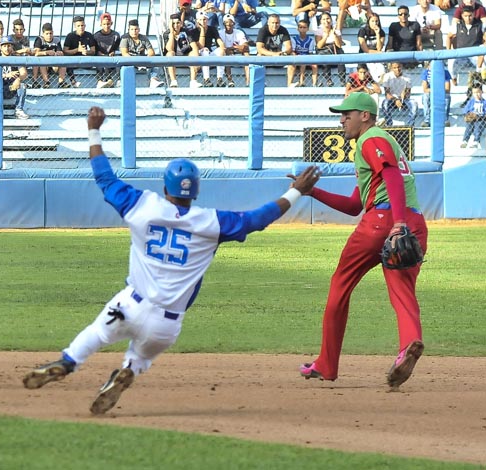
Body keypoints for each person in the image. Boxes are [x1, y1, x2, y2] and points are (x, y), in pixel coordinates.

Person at [23, 106, 320, 414]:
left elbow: (105, 178)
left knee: (99, 333)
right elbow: (259, 218)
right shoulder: (211, 223)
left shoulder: (143, 205)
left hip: (131, 305)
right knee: (141, 356)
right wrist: (296, 191)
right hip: (167, 325)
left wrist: (94, 130)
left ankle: (68, 361)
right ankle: (129, 370)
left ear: (165, 187)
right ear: (195, 191)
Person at [300, 92, 428, 391]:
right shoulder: (379, 145)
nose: (342, 119)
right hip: (415, 223)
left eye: (347, 113)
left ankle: (326, 364)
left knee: (341, 283)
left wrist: (395, 223)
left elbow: (392, 176)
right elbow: (353, 205)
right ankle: (407, 348)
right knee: (402, 292)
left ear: (365, 116)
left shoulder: (372, 139)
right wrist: (312, 192)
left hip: (384, 221)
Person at [120, 19, 163, 88]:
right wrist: (136, 62)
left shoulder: (143, 38)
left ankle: (153, 80)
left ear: (139, 29)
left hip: (142, 61)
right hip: (129, 61)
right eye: (132, 29)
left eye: (136, 29)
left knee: (157, 62)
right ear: (128, 30)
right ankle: (122, 82)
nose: (134, 31)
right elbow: (124, 53)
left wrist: (146, 59)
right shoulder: (125, 38)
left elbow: (151, 52)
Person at [256, 14, 296, 87]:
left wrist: (284, 53)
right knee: (259, 55)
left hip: (279, 57)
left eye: (277, 23)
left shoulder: (283, 30)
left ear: (279, 23)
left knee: (293, 55)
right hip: (267, 57)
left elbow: (289, 47)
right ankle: (262, 83)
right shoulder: (263, 30)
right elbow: (259, 48)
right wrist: (273, 54)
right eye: (273, 23)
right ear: (268, 23)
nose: (275, 25)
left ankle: (290, 84)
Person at [163, 13, 201, 88]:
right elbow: (169, 49)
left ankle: (193, 81)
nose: (176, 25)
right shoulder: (166, 33)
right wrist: (171, 33)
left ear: (181, 23)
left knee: (193, 53)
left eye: (178, 23)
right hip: (174, 57)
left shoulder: (186, 32)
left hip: (185, 54)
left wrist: (197, 61)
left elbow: (194, 47)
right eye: (173, 23)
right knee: (170, 53)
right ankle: (173, 81)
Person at [378, 62, 417, 127]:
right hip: (392, 99)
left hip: (403, 100)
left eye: (399, 67)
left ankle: (410, 126)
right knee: (385, 103)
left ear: (401, 66)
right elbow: (387, 94)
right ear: (391, 68)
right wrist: (396, 100)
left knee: (414, 104)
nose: (397, 69)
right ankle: (389, 124)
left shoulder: (407, 77)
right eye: (395, 68)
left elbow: (408, 93)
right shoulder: (388, 76)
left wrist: (405, 94)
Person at [0, 37, 29, 120]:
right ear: (0, 47)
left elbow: (24, 73)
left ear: (12, 47)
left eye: (9, 46)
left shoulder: (16, 59)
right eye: (4, 46)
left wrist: (18, 79)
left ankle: (19, 109)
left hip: (11, 86)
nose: (7, 48)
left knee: (22, 85)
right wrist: (6, 75)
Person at [32, 22, 69, 89]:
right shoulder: (39, 39)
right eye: (47, 34)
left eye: (51, 33)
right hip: (43, 64)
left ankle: (61, 82)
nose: (49, 36)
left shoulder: (56, 40)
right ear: (43, 34)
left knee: (63, 63)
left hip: (54, 63)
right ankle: (46, 82)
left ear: (53, 33)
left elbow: (61, 52)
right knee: (42, 63)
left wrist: (57, 53)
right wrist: (46, 52)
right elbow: (36, 53)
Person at [63, 16, 97, 88]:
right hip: (73, 60)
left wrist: (86, 52)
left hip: (84, 59)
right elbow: (65, 51)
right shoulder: (70, 36)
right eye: (78, 26)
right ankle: (73, 82)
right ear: (75, 26)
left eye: (82, 25)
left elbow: (93, 51)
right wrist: (77, 50)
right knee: (68, 63)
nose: (81, 27)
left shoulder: (89, 35)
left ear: (85, 26)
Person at [194, 10, 226, 87]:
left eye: (204, 19)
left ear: (207, 20)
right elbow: (201, 45)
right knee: (204, 50)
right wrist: (202, 30)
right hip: (198, 55)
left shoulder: (212, 29)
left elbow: (218, 40)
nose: (203, 21)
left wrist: (222, 48)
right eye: (200, 20)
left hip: (209, 53)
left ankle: (220, 79)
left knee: (220, 51)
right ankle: (206, 79)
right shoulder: (193, 31)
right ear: (197, 21)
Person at [218, 14, 251, 87]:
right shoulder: (220, 33)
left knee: (246, 53)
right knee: (226, 53)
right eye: (226, 23)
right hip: (227, 54)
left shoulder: (239, 32)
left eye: (231, 22)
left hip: (238, 53)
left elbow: (245, 46)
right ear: (223, 24)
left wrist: (233, 49)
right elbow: (222, 48)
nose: (229, 24)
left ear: (234, 23)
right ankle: (230, 80)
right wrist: (235, 48)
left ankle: (248, 81)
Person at [315, 12, 346, 87]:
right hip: (324, 49)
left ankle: (342, 80)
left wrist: (334, 35)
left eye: (328, 18)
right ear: (321, 21)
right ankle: (328, 80)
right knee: (324, 56)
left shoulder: (336, 30)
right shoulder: (319, 31)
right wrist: (325, 36)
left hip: (335, 49)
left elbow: (339, 45)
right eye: (324, 19)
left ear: (331, 20)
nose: (326, 21)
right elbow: (319, 46)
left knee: (341, 54)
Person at [421, 61, 453, 127]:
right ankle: (427, 120)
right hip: (431, 93)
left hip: (441, 93)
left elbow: (447, 89)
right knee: (425, 97)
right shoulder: (426, 73)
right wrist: (436, 90)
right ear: (429, 66)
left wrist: (437, 90)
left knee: (447, 97)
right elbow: (425, 89)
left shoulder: (445, 72)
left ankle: (445, 120)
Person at [94, 13, 121, 88]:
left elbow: (117, 47)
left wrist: (114, 51)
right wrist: (98, 52)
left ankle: (118, 80)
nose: (106, 26)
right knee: (100, 60)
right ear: (101, 24)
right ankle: (102, 80)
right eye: (104, 24)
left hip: (112, 56)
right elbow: (95, 49)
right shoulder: (96, 35)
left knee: (118, 58)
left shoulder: (116, 35)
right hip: (101, 56)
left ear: (111, 23)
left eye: (108, 24)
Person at [357, 13, 386, 81]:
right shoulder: (362, 31)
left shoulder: (381, 32)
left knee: (382, 69)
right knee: (372, 68)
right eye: (372, 21)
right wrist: (378, 52)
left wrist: (377, 34)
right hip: (365, 55)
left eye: (376, 21)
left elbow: (379, 48)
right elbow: (365, 50)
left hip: (377, 56)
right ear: (368, 22)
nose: (375, 23)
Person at [292, 19, 318, 87]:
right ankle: (301, 81)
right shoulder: (294, 39)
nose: (302, 29)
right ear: (297, 29)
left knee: (314, 65)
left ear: (307, 29)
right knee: (303, 63)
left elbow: (310, 52)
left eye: (304, 27)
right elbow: (293, 51)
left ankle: (314, 83)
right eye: (300, 27)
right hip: (297, 57)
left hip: (307, 57)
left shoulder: (310, 40)